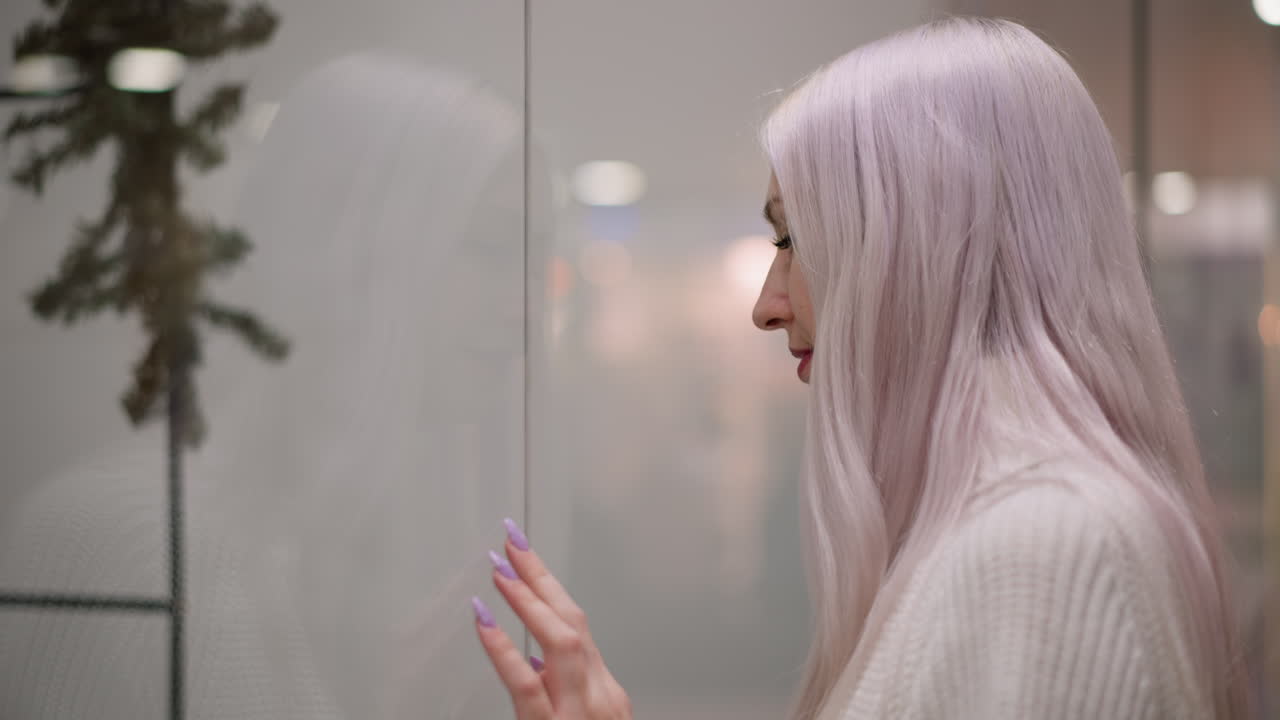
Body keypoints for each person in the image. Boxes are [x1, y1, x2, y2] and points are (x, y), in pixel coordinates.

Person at [470, 16, 1251, 720]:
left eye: (796, 239)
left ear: (924, 250)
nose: (768, 306)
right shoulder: (1003, 534)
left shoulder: (1043, 549)